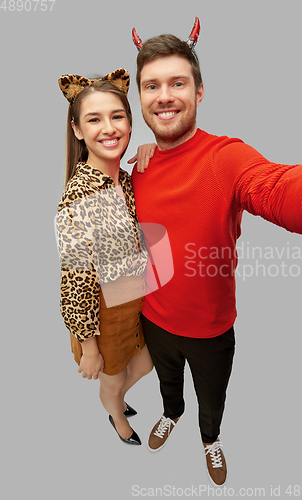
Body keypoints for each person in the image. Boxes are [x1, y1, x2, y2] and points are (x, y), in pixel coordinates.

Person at [130, 20, 302, 486]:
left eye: (178, 83)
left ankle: (210, 439)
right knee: (170, 388)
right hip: (154, 317)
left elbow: (275, 188)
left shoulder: (226, 157)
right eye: (152, 85)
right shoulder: (137, 166)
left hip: (211, 327)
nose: (164, 95)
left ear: (200, 92)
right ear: (140, 97)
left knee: (212, 397)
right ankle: (171, 414)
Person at [56, 69, 155, 446]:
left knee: (145, 364)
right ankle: (114, 410)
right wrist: (90, 347)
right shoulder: (79, 197)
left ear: (130, 122)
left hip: (135, 299)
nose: (109, 128)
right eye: (94, 119)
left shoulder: (124, 179)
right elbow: (74, 280)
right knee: (112, 379)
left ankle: (116, 397)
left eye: (117, 116)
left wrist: (151, 150)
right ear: (77, 130)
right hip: (103, 311)